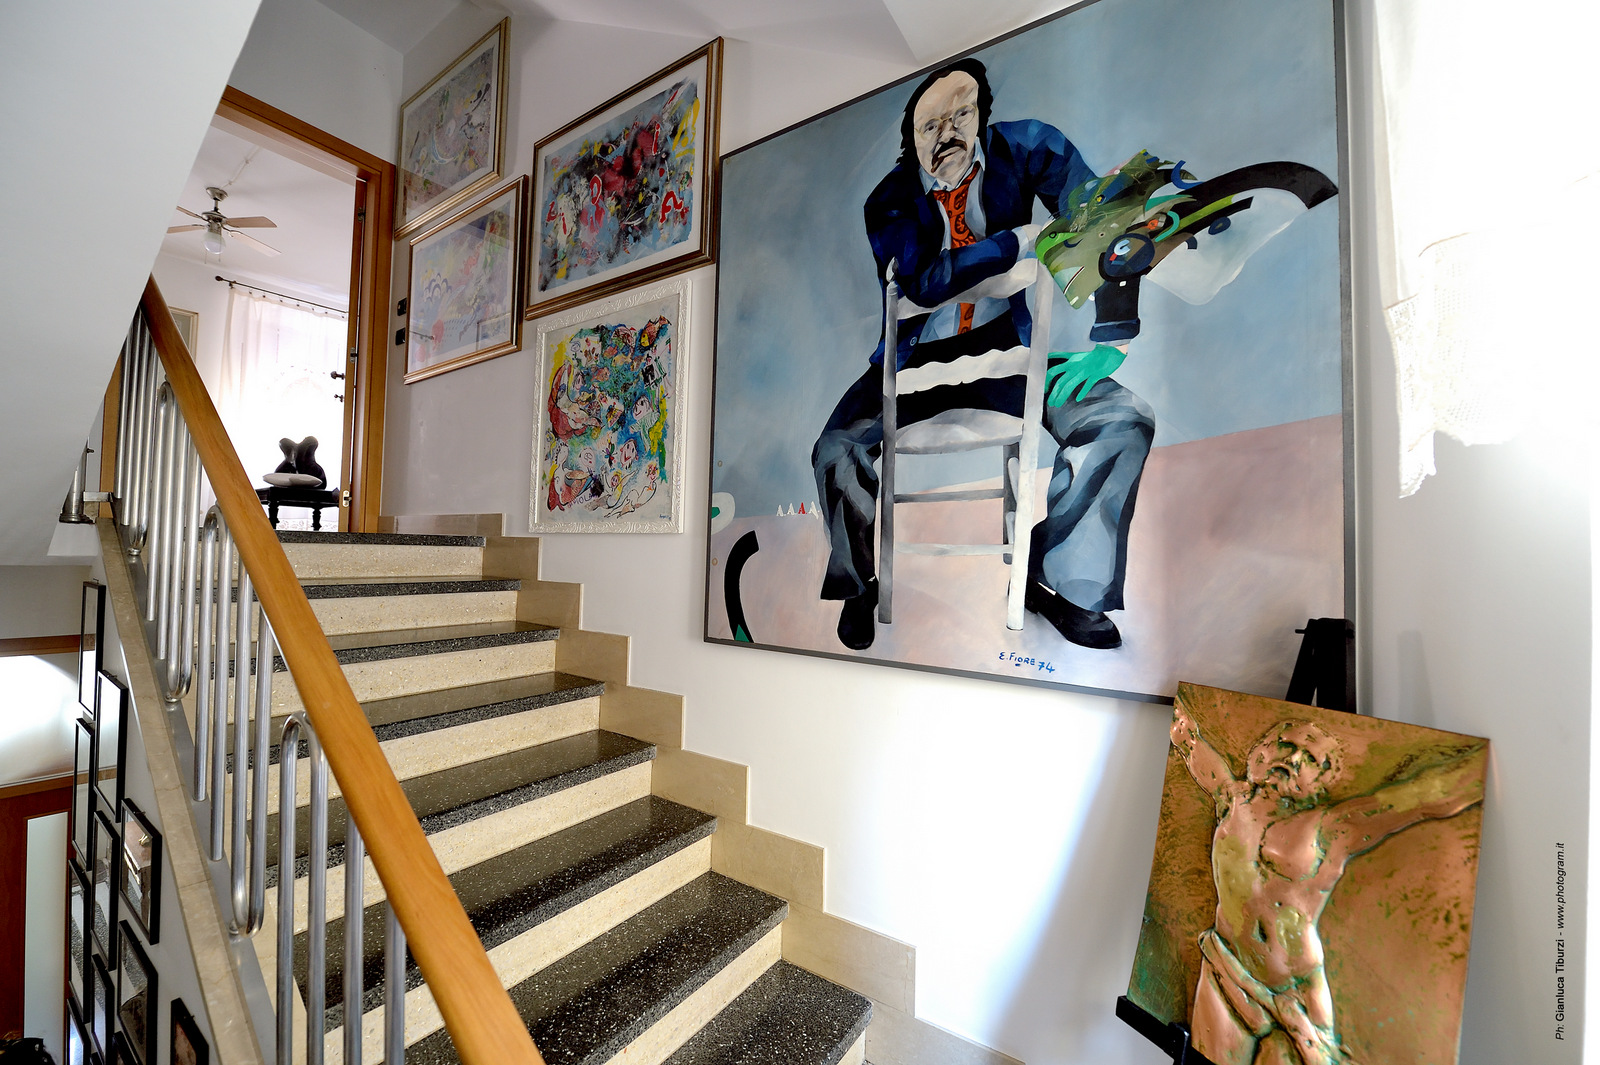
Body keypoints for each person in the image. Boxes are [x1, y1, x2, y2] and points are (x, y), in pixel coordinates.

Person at [812, 57, 1155, 652]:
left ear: (983, 118)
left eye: (961, 115)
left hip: (1010, 356)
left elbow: (1105, 222)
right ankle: (861, 584)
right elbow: (923, 281)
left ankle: (1057, 579)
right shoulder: (887, 201)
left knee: (1122, 419)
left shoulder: (1031, 147)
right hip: (912, 367)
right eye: (930, 126)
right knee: (835, 449)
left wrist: (1113, 337)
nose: (946, 134)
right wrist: (1023, 241)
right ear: (911, 139)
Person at [1168, 705, 1485, 1065]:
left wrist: (1485, 769)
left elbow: (1422, 799)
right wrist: (1180, 723)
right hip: (1226, 968)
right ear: (1261, 751)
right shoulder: (1233, 799)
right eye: (1287, 745)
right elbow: (1190, 742)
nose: (1294, 759)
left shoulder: (1332, 829)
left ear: (1319, 781)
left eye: (1310, 759)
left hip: (1294, 997)